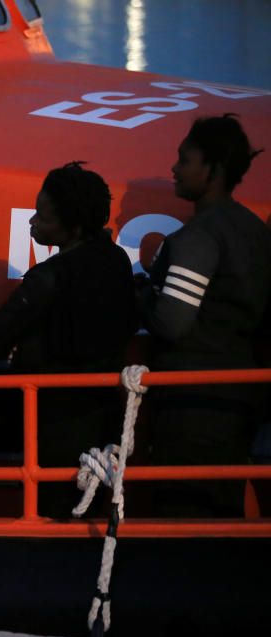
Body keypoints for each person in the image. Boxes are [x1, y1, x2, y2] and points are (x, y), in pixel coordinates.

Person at [0, 162, 136, 517]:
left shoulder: (49, 278)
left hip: (55, 421)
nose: (33, 222)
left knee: (56, 513)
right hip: (107, 415)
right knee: (95, 515)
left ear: (74, 226)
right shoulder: (117, 262)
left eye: (44, 217)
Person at [138, 114, 270, 517]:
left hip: (190, 408)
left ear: (212, 169)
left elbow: (174, 322)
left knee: (181, 528)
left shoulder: (198, 237)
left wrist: (142, 293)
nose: (175, 169)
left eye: (185, 159)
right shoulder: (255, 231)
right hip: (241, 402)